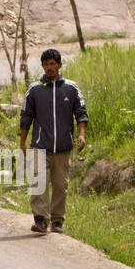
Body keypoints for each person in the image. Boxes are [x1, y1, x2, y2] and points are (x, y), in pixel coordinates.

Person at [19, 49, 88, 234]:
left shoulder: (71, 89)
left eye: (52, 64)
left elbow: (81, 113)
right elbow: (26, 117)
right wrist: (23, 144)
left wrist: (81, 135)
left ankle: (57, 221)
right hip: (40, 147)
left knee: (60, 185)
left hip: (63, 148)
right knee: (38, 183)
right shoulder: (34, 90)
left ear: (59, 65)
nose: (49, 68)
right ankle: (41, 220)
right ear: (42, 66)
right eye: (46, 64)